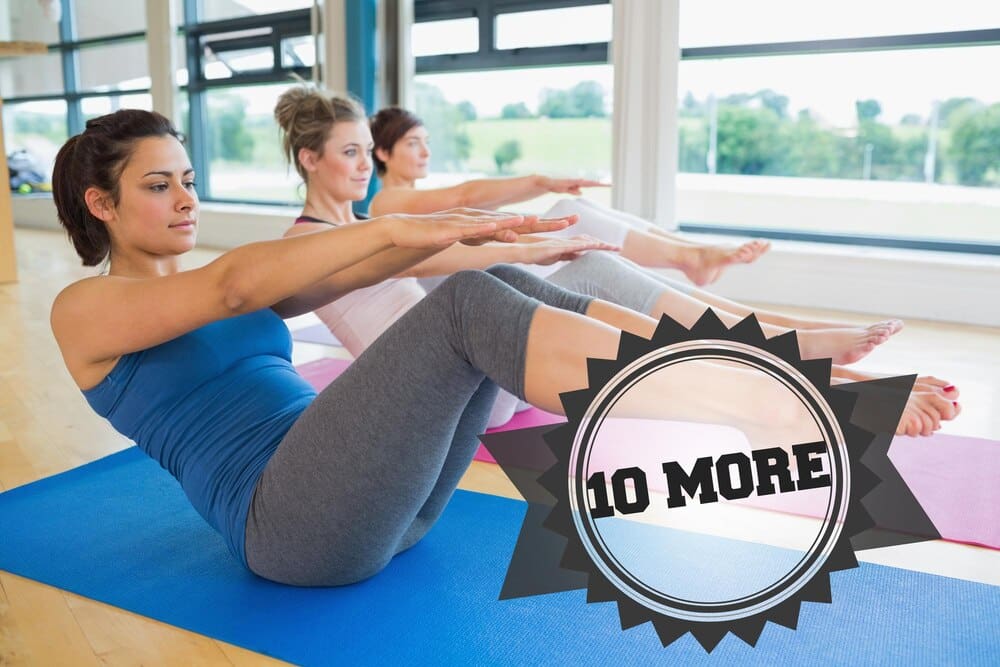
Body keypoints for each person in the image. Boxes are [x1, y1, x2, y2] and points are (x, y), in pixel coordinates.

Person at [55, 109, 888, 588]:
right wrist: (411, 224)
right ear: (100, 203)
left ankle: (741, 371)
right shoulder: (85, 309)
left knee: (495, 289)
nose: (185, 198)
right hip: (292, 529)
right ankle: (758, 405)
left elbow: (367, 262)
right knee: (464, 307)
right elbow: (233, 287)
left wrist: (479, 236)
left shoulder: (205, 278)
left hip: (386, 505)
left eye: (190, 179)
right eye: (158, 185)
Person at [275, 88, 955, 433]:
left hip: (472, 367)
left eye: (369, 151)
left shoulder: (369, 222)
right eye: (350, 153)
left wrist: (539, 234)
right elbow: (431, 253)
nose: (365, 167)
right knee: (584, 278)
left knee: (593, 272)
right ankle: (811, 381)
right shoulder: (307, 244)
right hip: (453, 405)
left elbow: (456, 241)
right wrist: (533, 241)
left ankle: (792, 352)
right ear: (310, 159)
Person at [369, 105, 771, 288]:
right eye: (412, 144)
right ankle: (692, 257)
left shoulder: (416, 202)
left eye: (426, 142)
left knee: (578, 209)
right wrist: (542, 181)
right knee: (569, 212)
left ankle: (692, 251)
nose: (425, 152)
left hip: (473, 274)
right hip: (456, 290)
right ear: (383, 153)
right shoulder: (385, 204)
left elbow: (474, 202)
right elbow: (469, 192)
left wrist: (544, 185)